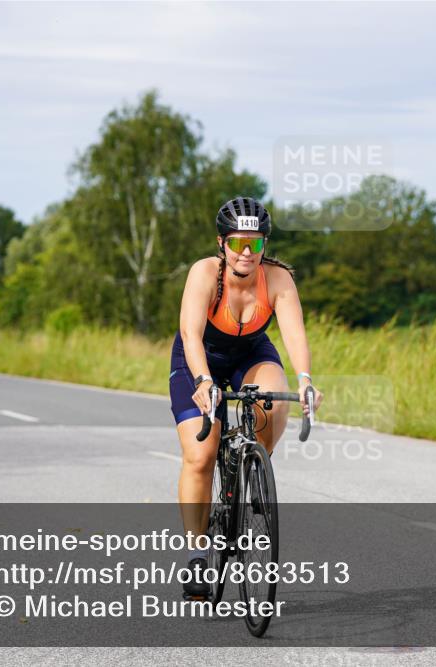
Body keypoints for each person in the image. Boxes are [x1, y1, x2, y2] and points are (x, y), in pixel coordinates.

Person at [169, 197, 324, 600]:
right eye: (237, 243)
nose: (246, 252)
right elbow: (189, 335)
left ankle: (250, 467)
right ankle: (197, 554)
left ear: (264, 245)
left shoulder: (277, 279)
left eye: (254, 244)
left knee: (276, 401)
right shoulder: (205, 272)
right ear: (221, 243)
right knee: (201, 453)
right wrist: (203, 380)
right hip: (199, 358)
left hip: (251, 354)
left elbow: (294, 334)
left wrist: (306, 380)